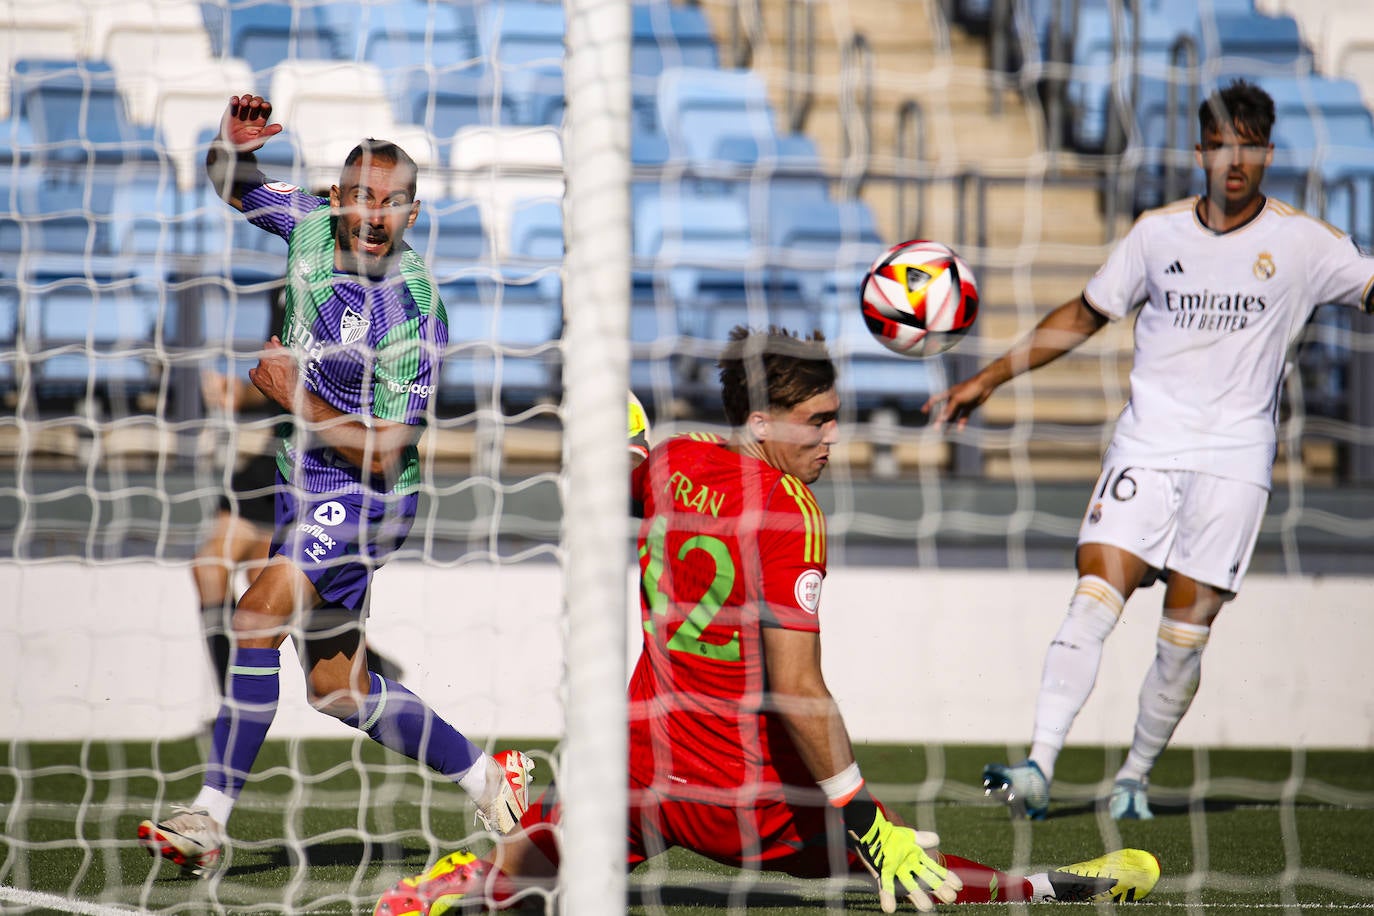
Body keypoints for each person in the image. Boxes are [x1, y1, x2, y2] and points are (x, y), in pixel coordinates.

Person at [373, 327, 1162, 915]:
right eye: (816, 420)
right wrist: (860, 809)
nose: (831, 436)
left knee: (564, 842)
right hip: (742, 796)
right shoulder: (790, 510)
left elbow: (622, 475)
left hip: (644, 765)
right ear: (761, 420)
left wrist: (615, 424)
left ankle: (464, 887)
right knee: (895, 857)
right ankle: (1053, 884)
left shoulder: (674, 461)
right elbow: (797, 687)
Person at [924, 79, 1374, 820]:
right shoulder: (1154, 234)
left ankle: (1133, 775)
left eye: (1250, 145)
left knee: (1183, 637)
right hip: (1147, 445)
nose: (1235, 160)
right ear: (1199, 151)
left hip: (1235, 461)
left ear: (1267, 153)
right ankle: (1039, 764)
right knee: (1094, 595)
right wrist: (989, 377)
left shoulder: (1302, 244)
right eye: (1221, 144)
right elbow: (1086, 312)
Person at [138, 94, 532, 877]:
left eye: (390, 202)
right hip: (302, 486)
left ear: (414, 212)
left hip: (369, 499)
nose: (372, 215)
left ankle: (209, 819)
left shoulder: (413, 308)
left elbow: (388, 451)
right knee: (338, 691)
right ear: (336, 198)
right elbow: (232, 184)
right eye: (359, 197)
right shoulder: (309, 225)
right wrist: (233, 147)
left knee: (254, 616)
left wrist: (292, 397)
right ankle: (490, 778)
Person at [193, 287, 402, 696]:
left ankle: (364, 665)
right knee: (210, 568)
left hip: (320, 461)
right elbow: (283, 376)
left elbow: (321, 385)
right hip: (279, 447)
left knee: (269, 593)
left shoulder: (363, 293)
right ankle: (229, 698)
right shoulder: (289, 281)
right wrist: (242, 391)